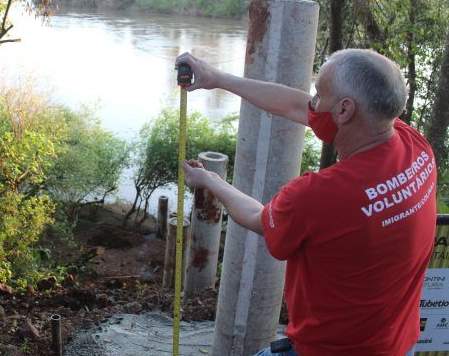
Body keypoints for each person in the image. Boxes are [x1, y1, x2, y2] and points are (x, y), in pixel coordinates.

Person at [176, 49, 437, 356]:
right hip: (396, 344)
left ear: (343, 111)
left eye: (318, 94)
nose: (311, 102)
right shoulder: (415, 147)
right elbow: (293, 105)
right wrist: (218, 78)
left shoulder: (318, 195)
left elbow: (257, 218)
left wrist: (212, 181)